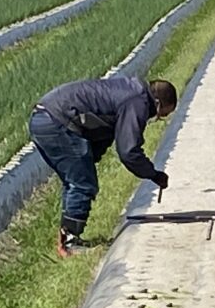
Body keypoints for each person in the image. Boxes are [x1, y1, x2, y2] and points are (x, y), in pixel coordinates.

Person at [29, 76, 176, 256]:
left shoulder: (129, 90)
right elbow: (128, 151)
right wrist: (154, 174)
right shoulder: (138, 102)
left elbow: (104, 130)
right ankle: (69, 244)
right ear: (158, 103)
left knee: (74, 180)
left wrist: (91, 160)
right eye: (162, 115)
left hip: (44, 116)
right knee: (82, 182)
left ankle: (67, 235)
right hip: (57, 120)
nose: (156, 118)